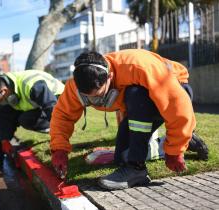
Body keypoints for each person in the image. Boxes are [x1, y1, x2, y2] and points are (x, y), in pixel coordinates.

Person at [49, 49, 208, 190]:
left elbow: (178, 107)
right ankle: (183, 140)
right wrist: (59, 149)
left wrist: (175, 152)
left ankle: (136, 168)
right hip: (139, 105)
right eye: (87, 98)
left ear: (110, 77)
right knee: (122, 157)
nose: (94, 102)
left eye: (98, 96)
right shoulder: (74, 86)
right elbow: (62, 115)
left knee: (135, 93)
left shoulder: (138, 67)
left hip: (175, 87)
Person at [0, 70, 64, 156]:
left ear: (4, 90)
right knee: (10, 113)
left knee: (26, 119)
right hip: (44, 105)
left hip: (62, 102)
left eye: (0, 100)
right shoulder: (7, 90)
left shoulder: (31, 85)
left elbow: (51, 107)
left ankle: (57, 129)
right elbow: (4, 118)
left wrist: (58, 139)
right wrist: (4, 140)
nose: (1, 103)